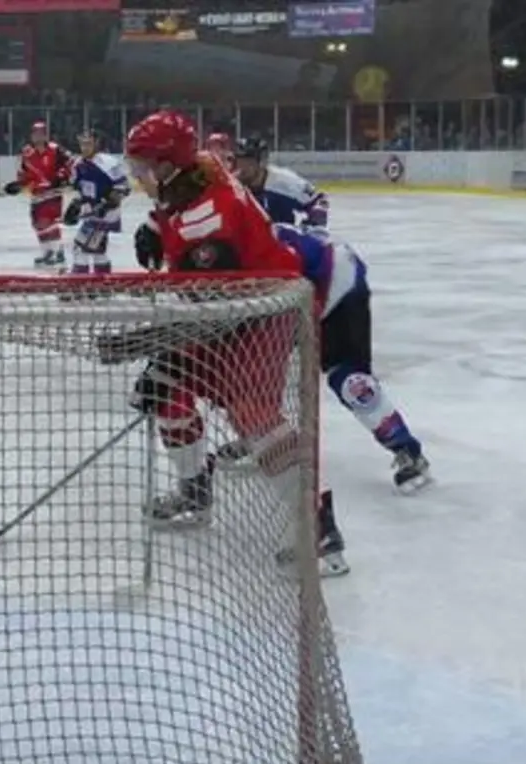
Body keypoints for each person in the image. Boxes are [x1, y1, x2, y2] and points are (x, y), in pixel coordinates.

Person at [114, 109, 346, 575]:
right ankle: (195, 492)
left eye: (143, 168)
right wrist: (156, 227)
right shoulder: (199, 167)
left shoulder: (207, 220)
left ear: (166, 166)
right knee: (172, 396)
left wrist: (164, 359)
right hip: (232, 302)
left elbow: (208, 314)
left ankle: (318, 530)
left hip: (262, 312)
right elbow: (182, 206)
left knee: (253, 415)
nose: (138, 177)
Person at [270, 224, 431, 492]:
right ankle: (261, 435)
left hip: (339, 285)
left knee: (349, 379)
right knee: (263, 367)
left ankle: (406, 448)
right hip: (316, 280)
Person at [3, 121, 75, 271]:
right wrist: (19, 185)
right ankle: (47, 252)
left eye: (41, 133)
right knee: (37, 224)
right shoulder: (27, 153)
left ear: (46, 134)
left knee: (50, 222)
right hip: (37, 194)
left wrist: (62, 176)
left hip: (53, 192)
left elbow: (70, 162)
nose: (38, 136)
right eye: (35, 133)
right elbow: (25, 174)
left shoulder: (56, 150)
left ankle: (58, 251)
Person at [62, 128, 130, 274]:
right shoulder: (78, 164)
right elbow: (79, 188)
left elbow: (124, 187)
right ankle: (103, 283)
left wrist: (107, 204)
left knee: (80, 247)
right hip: (92, 213)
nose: (84, 147)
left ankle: (80, 283)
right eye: (82, 144)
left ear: (96, 144)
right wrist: (77, 205)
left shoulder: (108, 163)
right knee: (98, 250)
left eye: (88, 144)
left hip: (106, 215)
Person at [230, 136, 329, 229]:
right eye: (239, 162)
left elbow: (317, 199)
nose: (241, 167)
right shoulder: (230, 185)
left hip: (281, 242)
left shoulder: (283, 181)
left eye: (248, 162)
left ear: (262, 162)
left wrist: (312, 226)